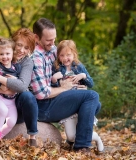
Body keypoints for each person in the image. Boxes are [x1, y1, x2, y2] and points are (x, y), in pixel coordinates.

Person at [29, 17, 102, 152]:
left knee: (95, 103)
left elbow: (68, 66)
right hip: (43, 107)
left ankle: (73, 138)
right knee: (92, 97)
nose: (53, 43)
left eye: (54, 39)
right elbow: (41, 94)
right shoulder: (35, 58)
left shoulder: (52, 50)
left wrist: (78, 88)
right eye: (48, 40)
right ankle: (82, 145)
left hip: (56, 98)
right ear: (36, 38)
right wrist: (65, 88)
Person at [51, 39, 104, 152]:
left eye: (68, 55)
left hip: (81, 104)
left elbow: (90, 83)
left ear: (74, 54)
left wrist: (83, 76)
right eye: (62, 55)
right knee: (71, 136)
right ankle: (91, 138)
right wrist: (55, 79)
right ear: (58, 56)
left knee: (96, 104)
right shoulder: (57, 68)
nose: (66, 58)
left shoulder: (78, 67)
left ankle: (94, 140)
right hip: (67, 104)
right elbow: (52, 88)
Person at [0, 36, 21, 143]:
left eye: (7, 54)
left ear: (12, 54)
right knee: (3, 111)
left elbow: (21, 83)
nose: (4, 57)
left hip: (12, 101)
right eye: (1, 54)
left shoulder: (16, 68)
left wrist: (14, 80)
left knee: (12, 121)